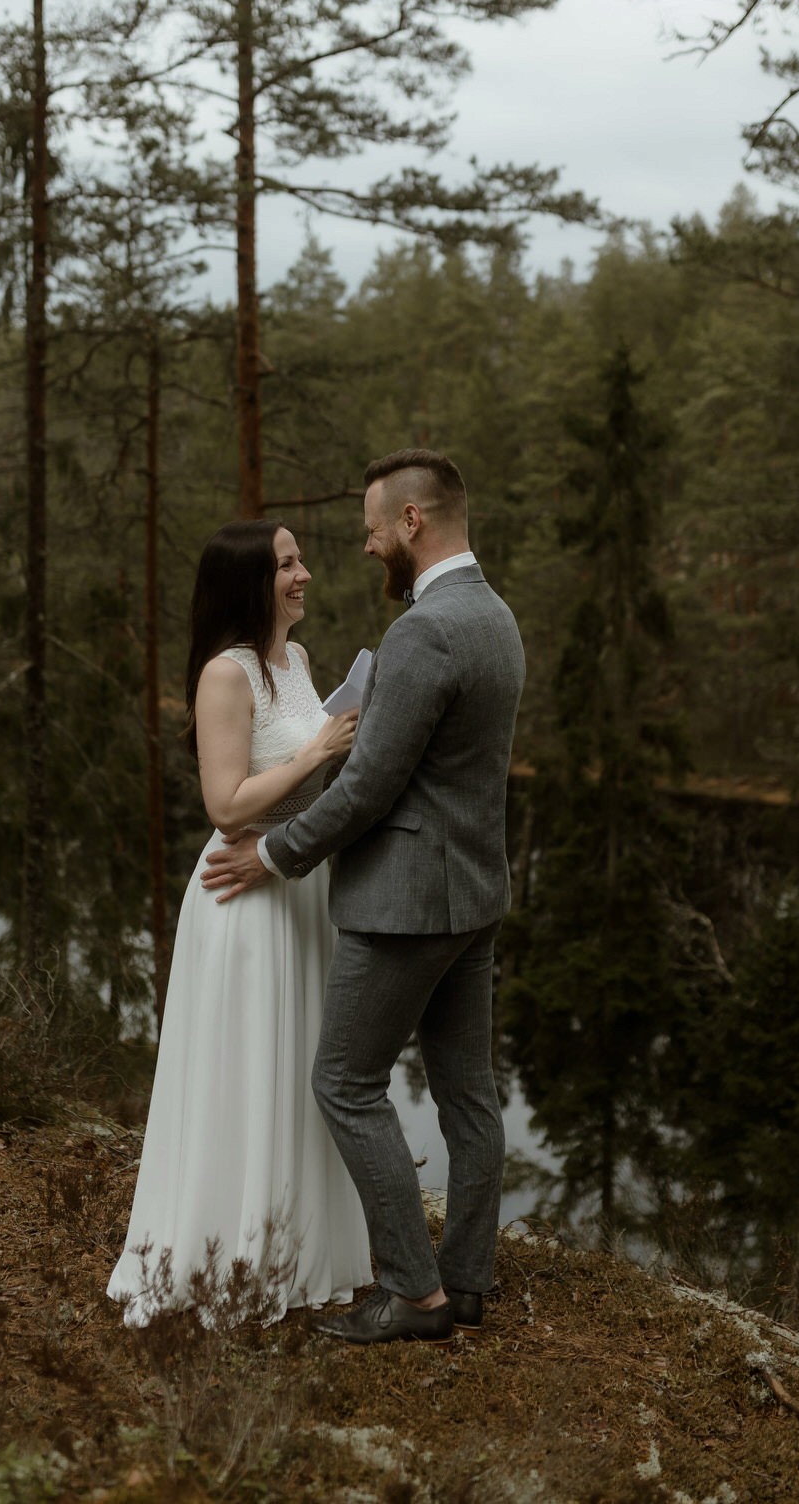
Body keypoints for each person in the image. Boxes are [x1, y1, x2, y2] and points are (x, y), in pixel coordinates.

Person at [203, 450, 526, 1346]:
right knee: (469, 1096)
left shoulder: (425, 632)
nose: (368, 547)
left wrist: (276, 854)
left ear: (413, 521)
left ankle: (415, 1296)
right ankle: (466, 1280)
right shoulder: (495, 616)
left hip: (405, 904)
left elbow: (369, 789)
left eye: (375, 530)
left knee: (344, 1083)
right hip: (475, 894)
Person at [107, 519, 372, 1326]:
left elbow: (305, 786)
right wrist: (317, 753)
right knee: (246, 1067)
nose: (304, 574)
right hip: (241, 894)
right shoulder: (226, 674)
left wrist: (344, 755)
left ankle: (296, 1249)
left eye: (300, 560)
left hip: (295, 884)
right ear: (252, 582)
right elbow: (224, 804)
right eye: (287, 564)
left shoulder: (296, 662)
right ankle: (227, 1254)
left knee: (300, 1066)